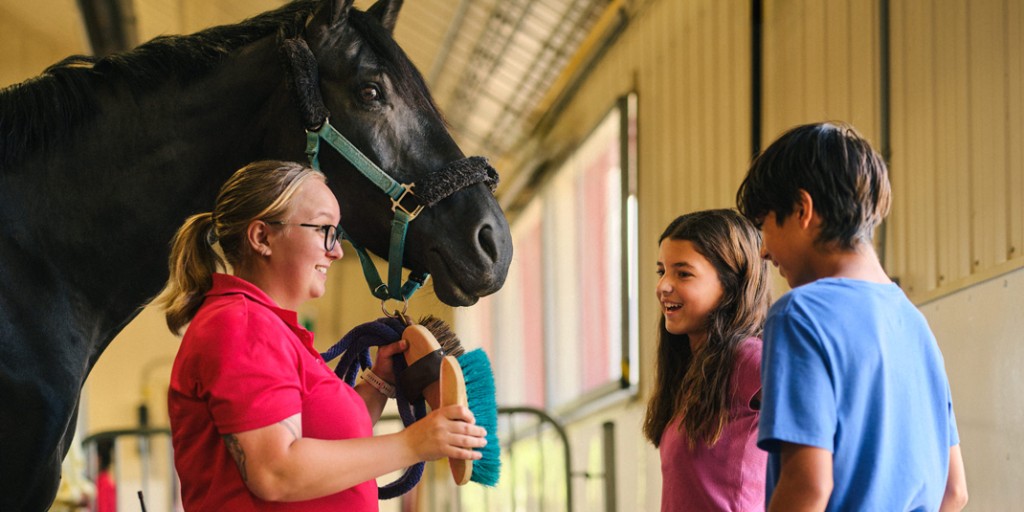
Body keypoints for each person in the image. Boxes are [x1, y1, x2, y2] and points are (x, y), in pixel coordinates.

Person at [155, 160, 486, 511]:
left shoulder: (267, 327)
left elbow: (324, 438)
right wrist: (413, 444)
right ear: (262, 237)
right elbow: (275, 471)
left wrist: (380, 383)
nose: (337, 251)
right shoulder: (244, 325)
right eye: (324, 229)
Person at [736, 122, 968, 511]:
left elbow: (807, 485)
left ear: (802, 209)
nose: (763, 251)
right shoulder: (915, 325)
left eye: (764, 226)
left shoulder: (800, 314)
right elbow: (954, 491)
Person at [642, 209, 771, 511]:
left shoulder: (748, 358)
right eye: (662, 271)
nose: (663, 286)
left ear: (730, 284)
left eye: (683, 273)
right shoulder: (693, 369)